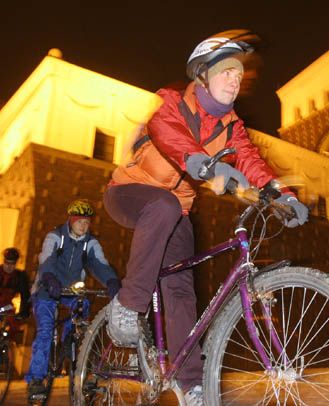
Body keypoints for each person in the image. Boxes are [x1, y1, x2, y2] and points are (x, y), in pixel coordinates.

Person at [103, 30, 308, 404]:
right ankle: (128, 305)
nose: (236, 78)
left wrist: (284, 195)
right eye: (226, 71)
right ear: (203, 75)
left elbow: (251, 162)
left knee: (180, 287)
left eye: (238, 73)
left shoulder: (233, 128)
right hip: (129, 192)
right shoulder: (173, 104)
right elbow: (167, 133)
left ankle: (191, 383)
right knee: (163, 206)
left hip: (175, 209)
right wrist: (201, 162)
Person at [26, 199, 121, 399]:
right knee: (45, 329)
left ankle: (69, 346)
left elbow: (100, 264)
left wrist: (112, 280)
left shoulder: (90, 243)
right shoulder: (55, 237)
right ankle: (36, 380)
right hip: (46, 288)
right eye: (80, 222)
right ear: (71, 220)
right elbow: (46, 259)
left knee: (83, 317)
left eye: (87, 222)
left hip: (72, 291)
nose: (84, 226)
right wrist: (49, 277)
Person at [0, 247, 30, 332]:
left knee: (12, 327)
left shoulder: (20, 276)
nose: (9, 266)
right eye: (7, 263)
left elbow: (25, 296)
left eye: (12, 264)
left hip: (7, 307)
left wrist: (23, 313)